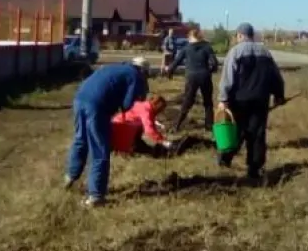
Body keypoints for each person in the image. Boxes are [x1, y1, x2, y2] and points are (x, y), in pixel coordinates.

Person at [64, 56, 150, 207]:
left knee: (81, 139)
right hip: (96, 106)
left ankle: (70, 177)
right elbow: (127, 104)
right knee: (100, 149)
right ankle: (96, 196)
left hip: (79, 99)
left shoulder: (116, 67)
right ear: (143, 71)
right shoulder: (135, 76)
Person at [217, 23, 285, 181]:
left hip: (239, 100)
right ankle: (254, 168)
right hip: (261, 100)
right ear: (252, 35)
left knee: (236, 131)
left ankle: (225, 158)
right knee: (257, 134)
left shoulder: (235, 52)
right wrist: (279, 95)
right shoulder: (265, 52)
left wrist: (223, 99)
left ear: (240, 35)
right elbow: (276, 75)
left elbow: (227, 78)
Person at [165, 28, 219, 132]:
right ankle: (209, 126)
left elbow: (176, 61)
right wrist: (210, 71)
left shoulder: (186, 48)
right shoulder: (207, 47)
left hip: (191, 76)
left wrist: (169, 71)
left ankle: (177, 125)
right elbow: (214, 63)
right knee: (208, 102)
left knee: (187, 101)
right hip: (204, 76)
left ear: (190, 37)